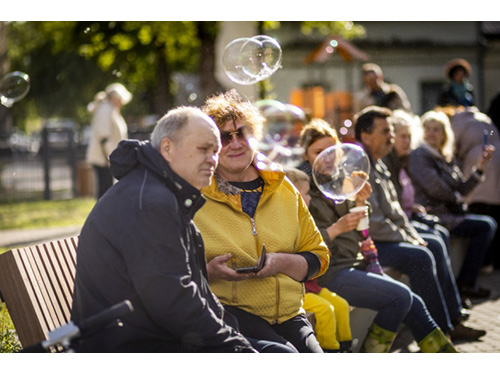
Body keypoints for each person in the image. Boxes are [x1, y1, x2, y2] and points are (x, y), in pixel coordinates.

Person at [72, 106, 292, 353]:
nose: (212, 159)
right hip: (136, 346)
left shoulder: (158, 191)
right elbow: (173, 301)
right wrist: (239, 350)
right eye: (203, 149)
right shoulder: (152, 203)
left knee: (279, 353)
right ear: (167, 148)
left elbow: (185, 293)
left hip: (151, 335)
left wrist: (236, 341)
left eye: (215, 151)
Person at [298, 117, 457, 353]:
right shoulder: (301, 188)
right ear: (306, 156)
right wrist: (337, 228)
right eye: (319, 152)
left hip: (353, 262)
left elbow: (363, 230)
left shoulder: (339, 182)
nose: (327, 157)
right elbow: (301, 242)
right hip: (329, 271)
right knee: (401, 296)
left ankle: (443, 354)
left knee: (413, 301)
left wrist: (360, 202)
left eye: (332, 150)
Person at [194, 89, 330, 353]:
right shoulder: (195, 196)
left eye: (243, 133)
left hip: (290, 314)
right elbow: (172, 267)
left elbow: (319, 257)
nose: (236, 143)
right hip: (228, 314)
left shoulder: (283, 187)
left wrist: (281, 263)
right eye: (225, 137)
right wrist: (207, 270)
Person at [354, 105, 481, 341]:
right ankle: (442, 330)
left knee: (432, 242)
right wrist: (408, 238)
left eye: (393, 131)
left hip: (383, 238)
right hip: (367, 244)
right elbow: (375, 223)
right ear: (365, 136)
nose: (391, 137)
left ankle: (451, 319)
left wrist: (411, 236)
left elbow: (395, 212)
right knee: (420, 255)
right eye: (386, 132)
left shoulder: (377, 162)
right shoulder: (362, 167)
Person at [408, 110, 497, 299]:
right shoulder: (419, 155)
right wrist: (457, 198)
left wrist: (480, 166)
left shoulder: (444, 156)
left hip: (450, 213)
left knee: (487, 223)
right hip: (435, 214)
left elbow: (462, 188)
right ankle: (465, 283)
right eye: (428, 129)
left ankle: (465, 283)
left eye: (437, 129)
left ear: (444, 134)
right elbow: (436, 189)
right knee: (485, 225)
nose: (431, 133)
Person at [285, 167, 353, 353]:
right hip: (296, 291)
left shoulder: (306, 220)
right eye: (305, 194)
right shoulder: (285, 223)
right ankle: (331, 351)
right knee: (325, 310)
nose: (309, 199)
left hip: (312, 285)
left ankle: (346, 348)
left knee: (341, 305)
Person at [443, 105, 500, 271]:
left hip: (479, 159)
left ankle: (485, 262)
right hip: (496, 156)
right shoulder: (482, 117)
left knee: (479, 207)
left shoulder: (457, 121)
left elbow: (451, 146)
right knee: (496, 210)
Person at [86, 83, 132, 199]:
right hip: (104, 158)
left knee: (107, 190)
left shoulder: (111, 110)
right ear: (115, 98)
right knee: (104, 192)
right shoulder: (105, 110)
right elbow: (103, 137)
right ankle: (101, 216)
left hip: (108, 157)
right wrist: (109, 157)